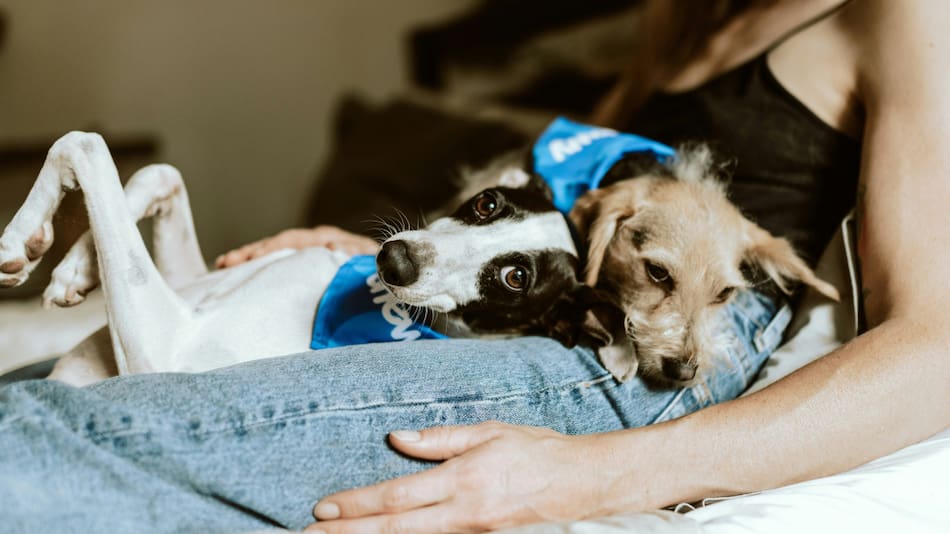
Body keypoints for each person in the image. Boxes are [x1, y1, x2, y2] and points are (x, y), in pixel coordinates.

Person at [2, 0, 948, 532]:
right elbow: (534, 205)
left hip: (639, 346)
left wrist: (602, 474)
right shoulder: (674, 21)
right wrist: (383, 253)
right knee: (87, 404)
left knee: (41, 430)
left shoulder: (903, 14)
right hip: (538, 296)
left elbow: (934, 348)